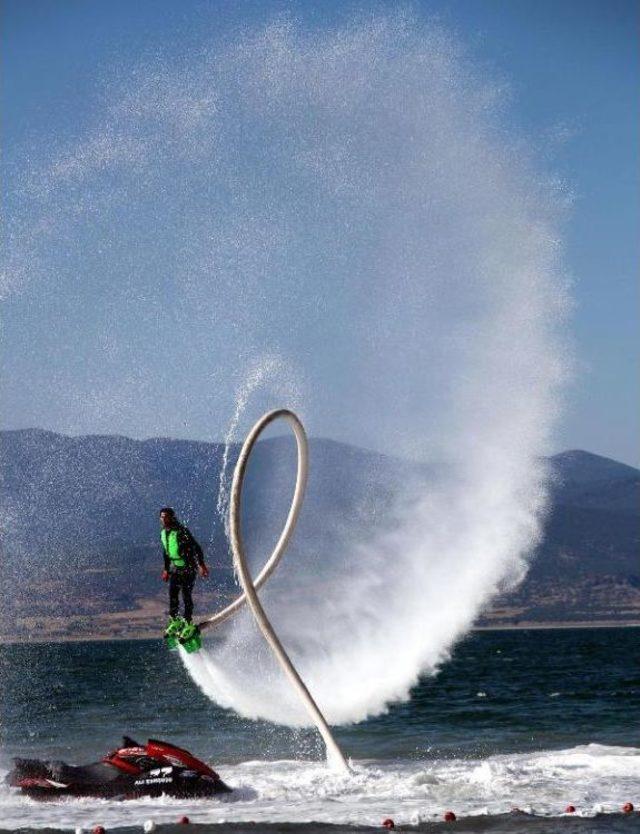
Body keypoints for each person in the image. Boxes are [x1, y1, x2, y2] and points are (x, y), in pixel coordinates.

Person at [159, 507, 209, 641]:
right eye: (162, 517)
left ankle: (188, 623)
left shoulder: (181, 531)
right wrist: (166, 569)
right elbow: (166, 553)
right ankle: (175, 620)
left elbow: (197, 547)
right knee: (173, 594)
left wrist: (202, 565)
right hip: (175, 568)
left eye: (166, 517)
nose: (164, 519)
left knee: (186, 595)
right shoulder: (164, 533)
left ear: (172, 518)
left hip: (189, 567)